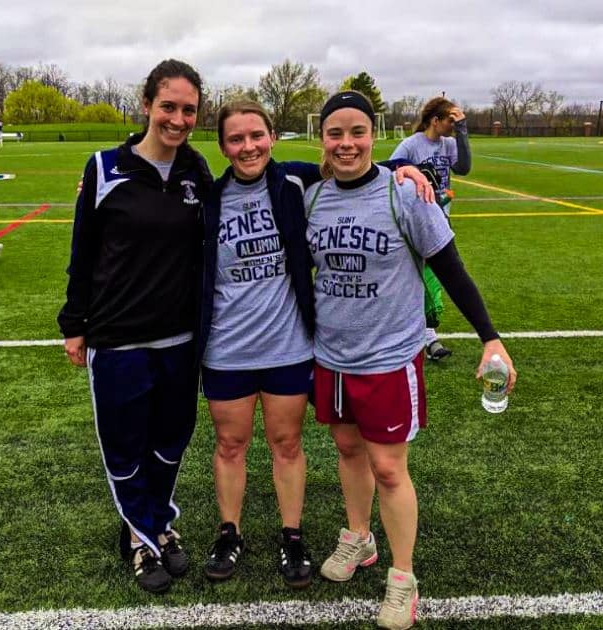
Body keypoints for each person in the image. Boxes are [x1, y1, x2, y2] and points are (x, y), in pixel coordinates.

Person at [197, 100, 432, 589]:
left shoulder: (296, 183)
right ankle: (229, 532)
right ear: (221, 146)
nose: (248, 147)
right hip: (226, 348)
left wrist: (403, 168)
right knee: (230, 444)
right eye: (236, 139)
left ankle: (292, 535)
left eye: (257, 136)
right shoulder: (207, 195)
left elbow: (353, 168)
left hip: (288, 343)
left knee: (287, 444)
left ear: (272, 138)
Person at [305, 91, 516, 630]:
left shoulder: (405, 194)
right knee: (348, 449)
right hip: (331, 356)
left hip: (388, 357)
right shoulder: (313, 198)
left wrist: (489, 337)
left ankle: (403, 579)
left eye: (357, 132)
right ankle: (359, 538)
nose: (346, 143)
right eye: (335, 133)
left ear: (372, 134)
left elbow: (449, 266)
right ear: (322, 138)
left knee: (390, 468)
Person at [57, 59, 212, 595]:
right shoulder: (103, 168)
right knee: (126, 445)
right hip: (118, 339)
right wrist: (73, 324)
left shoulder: (197, 173)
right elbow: (83, 253)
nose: (177, 118)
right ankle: (145, 538)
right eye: (168, 106)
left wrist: (397, 169)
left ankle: (153, 525)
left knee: (170, 442)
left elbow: (261, 179)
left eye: (188, 109)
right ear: (146, 104)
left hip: (180, 340)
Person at [390, 97, 471, 361]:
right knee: (413, 278)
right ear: (435, 120)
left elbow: (464, 167)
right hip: (415, 223)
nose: (452, 125)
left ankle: (429, 335)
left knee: (444, 277)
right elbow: (391, 176)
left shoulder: (449, 144)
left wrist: (462, 130)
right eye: (450, 120)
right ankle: (422, 336)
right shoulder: (412, 145)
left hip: (441, 223)